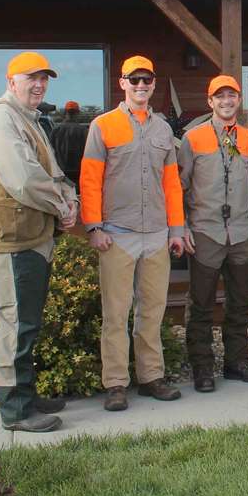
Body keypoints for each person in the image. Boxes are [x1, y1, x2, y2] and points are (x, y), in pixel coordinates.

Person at [0, 51, 78, 432]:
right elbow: (23, 179)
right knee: (16, 323)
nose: (39, 85)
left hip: (31, 235)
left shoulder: (27, 120)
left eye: (44, 79)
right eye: (31, 78)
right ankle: (16, 410)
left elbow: (52, 172)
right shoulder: (1, 120)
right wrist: (61, 204)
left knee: (26, 322)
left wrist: (70, 198)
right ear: (11, 80)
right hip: (13, 241)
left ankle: (26, 394)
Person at [80, 55, 185, 411]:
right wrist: (93, 226)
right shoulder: (103, 125)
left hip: (156, 233)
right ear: (122, 83)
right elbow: (90, 180)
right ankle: (115, 384)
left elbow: (172, 184)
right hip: (117, 234)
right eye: (134, 80)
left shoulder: (164, 130)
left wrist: (176, 229)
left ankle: (151, 376)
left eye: (147, 80)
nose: (141, 86)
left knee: (152, 311)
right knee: (116, 313)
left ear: (154, 84)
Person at [178, 75, 248, 392]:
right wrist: (183, 225)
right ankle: (202, 367)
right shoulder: (193, 138)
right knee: (201, 304)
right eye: (220, 96)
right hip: (205, 232)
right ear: (210, 101)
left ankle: (236, 362)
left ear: (239, 100)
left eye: (232, 95)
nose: (226, 101)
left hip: (241, 232)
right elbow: (179, 186)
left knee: (240, 302)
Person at [50, 100, 87, 185]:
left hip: (60, 173)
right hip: (78, 173)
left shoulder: (56, 130)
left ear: (65, 113)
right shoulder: (83, 131)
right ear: (77, 113)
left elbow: (50, 152)